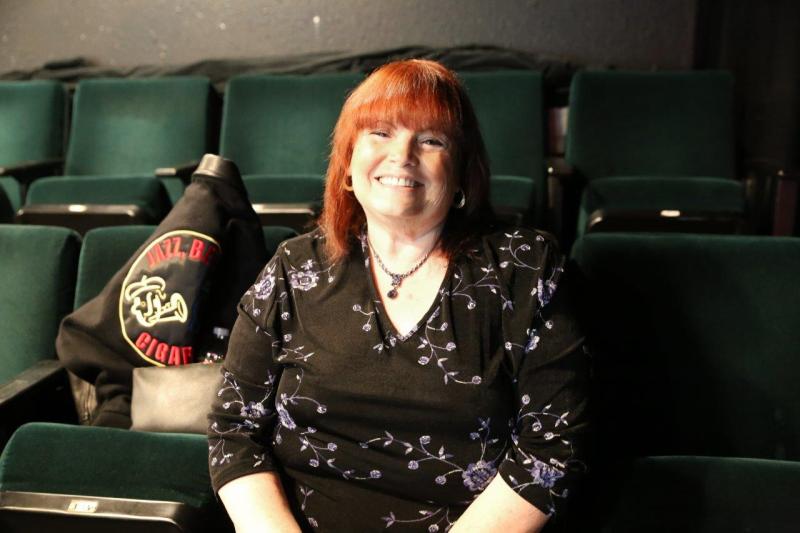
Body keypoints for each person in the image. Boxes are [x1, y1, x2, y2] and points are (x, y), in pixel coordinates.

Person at [207, 59, 589, 532]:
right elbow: (234, 428)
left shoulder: (526, 269)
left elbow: (552, 449)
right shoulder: (295, 266)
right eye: (380, 134)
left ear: (463, 174)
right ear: (347, 165)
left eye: (431, 140)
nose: (402, 155)